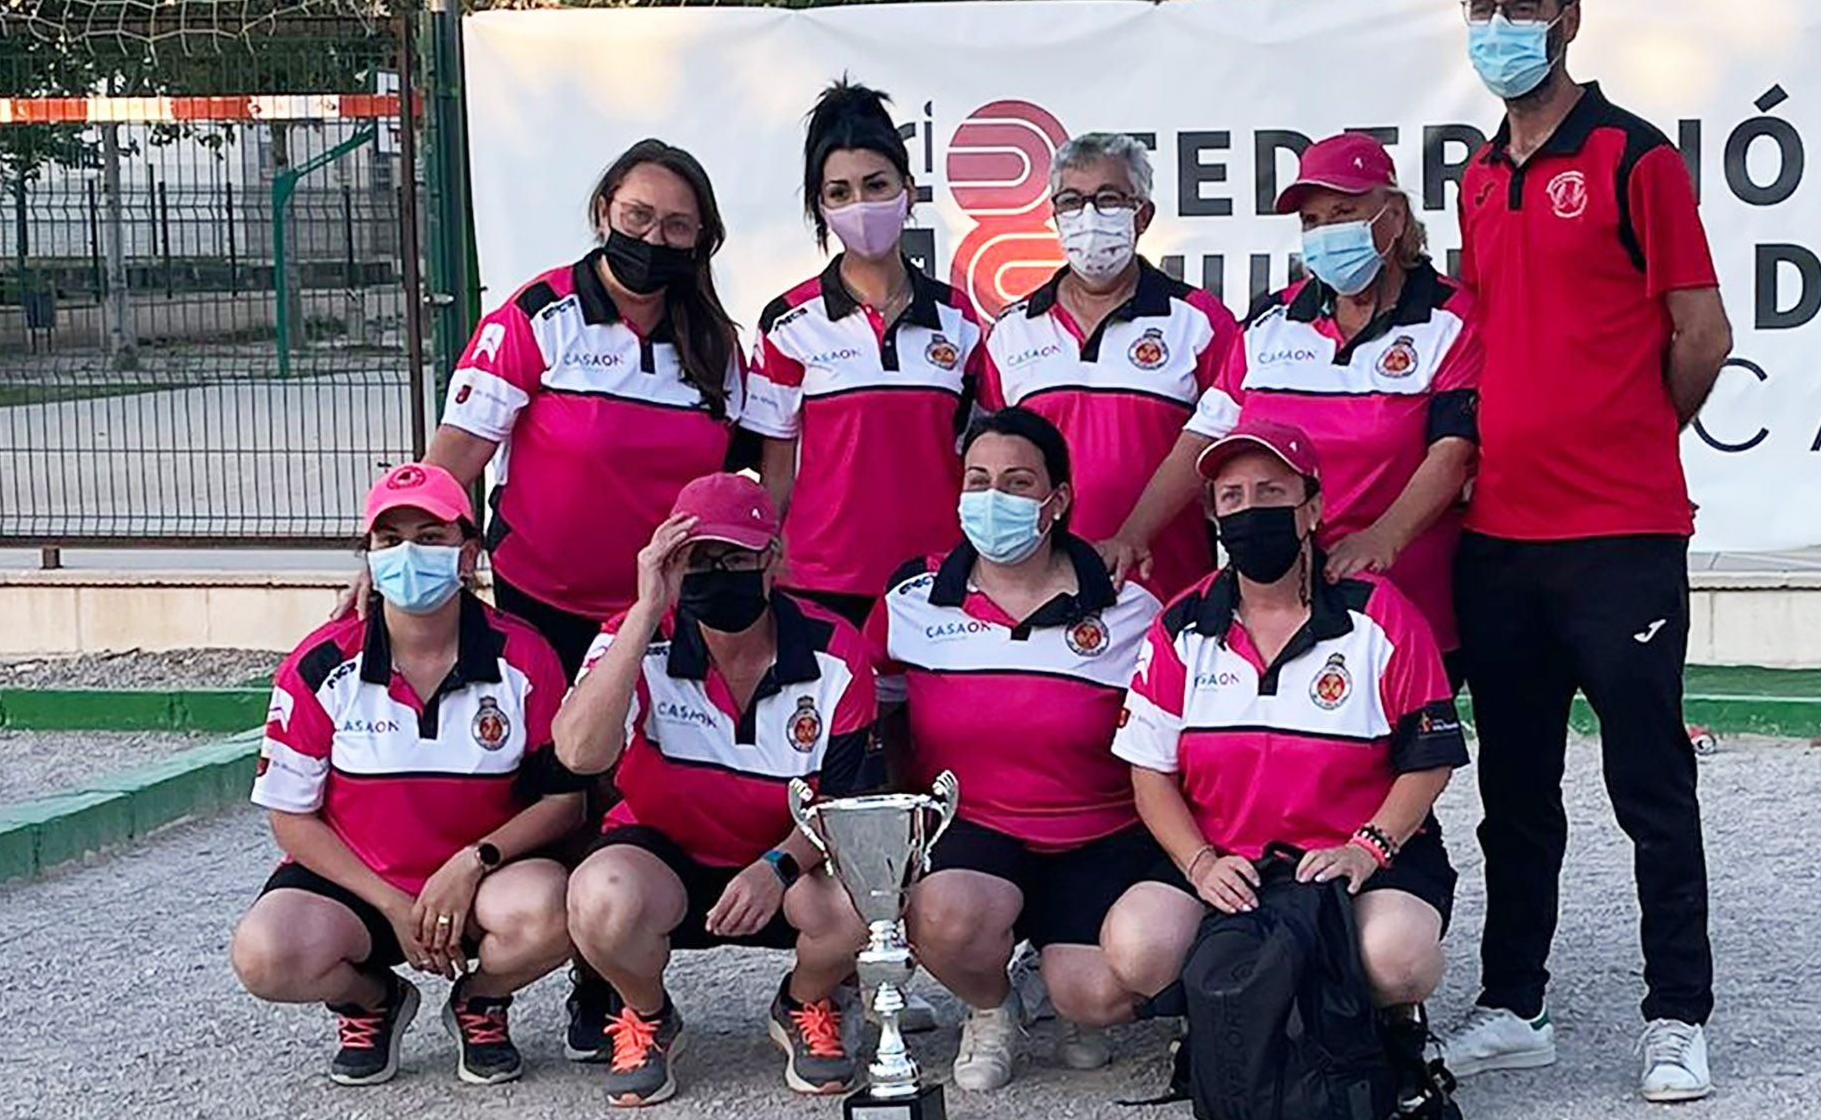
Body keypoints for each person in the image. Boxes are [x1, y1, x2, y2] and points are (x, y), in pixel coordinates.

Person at [1439, 0, 1733, 1103]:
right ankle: (1515, 1000)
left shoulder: (1632, 159)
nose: (1494, 27)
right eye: (1478, 8)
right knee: (1512, 789)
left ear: (1565, 20)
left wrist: (1623, 434)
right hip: (1495, 537)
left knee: (1647, 783)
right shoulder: (1472, 171)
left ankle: (1678, 1013)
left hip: (1617, 537)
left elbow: (1700, 334)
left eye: (1517, 7)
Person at [430, 137, 747, 1057]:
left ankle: (605, 981)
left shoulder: (718, 349)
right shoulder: (538, 315)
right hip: (547, 606)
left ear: (702, 240)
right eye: (640, 215)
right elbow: (458, 451)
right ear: (605, 208)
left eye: (678, 225)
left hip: (664, 612)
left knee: (630, 795)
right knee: (563, 787)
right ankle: (528, 969)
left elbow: (746, 481)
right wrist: (386, 560)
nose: (655, 236)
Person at [1099, 418, 1469, 1071]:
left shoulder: (1378, 615)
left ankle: (1382, 1015)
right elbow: (1148, 773)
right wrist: (1199, 864)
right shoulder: (1179, 626)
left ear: (1314, 507)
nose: (1251, 510)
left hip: (1351, 855)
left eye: (1272, 493)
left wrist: (1367, 848)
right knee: (1135, 947)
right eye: (1232, 497)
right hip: (1227, 856)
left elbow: (1429, 757)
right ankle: (1230, 1017)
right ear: (1212, 513)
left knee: (1400, 959)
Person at [230, 463, 582, 1087]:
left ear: (468, 553)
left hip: (481, 879)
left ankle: (481, 1000)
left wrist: (471, 863)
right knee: (264, 955)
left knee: (557, 909)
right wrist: (393, 903)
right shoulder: (319, 663)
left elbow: (565, 803)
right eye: (389, 541)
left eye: (430, 537)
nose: (408, 555)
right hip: (363, 886)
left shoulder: (524, 657)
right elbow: (289, 815)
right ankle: (372, 1001)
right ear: (368, 557)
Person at [551, 472, 877, 1109]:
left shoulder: (836, 650)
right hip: (664, 857)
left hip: (787, 862)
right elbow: (578, 753)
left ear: (773, 558)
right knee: (597, 896)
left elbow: (845, 804)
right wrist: (646, 612)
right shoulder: (636, 636)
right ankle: (647, 1016)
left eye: (734, 556)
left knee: (868, 899)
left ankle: (805, 1003)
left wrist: (779, 865)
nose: (715, 571)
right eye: (696, 558)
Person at [866, 407, 1166, 1091]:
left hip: (1101, 831)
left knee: (1094, 995)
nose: (992, 498)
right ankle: (990, 1006)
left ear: (1057, 501)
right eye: (978, 480)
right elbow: (877, 723)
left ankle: (1056, 981)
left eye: (1017, 482)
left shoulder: (1132, 610)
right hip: (975, 827)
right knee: (942, 916)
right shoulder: (912, 598)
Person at [1136, 131, 1482, 668]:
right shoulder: (1270, 321)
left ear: (1392, 215)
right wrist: (1133, 535)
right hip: (1274, 602)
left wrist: (1382, 539)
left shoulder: (1451, 316)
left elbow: (1454, 450)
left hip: (1405, 607)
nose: (1325, 233)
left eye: (1344, 212)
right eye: (1312, 222)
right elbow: (1202, 438)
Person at [745, 80, 984, 626]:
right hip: (818, 585)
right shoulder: (787, 322)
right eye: (840, 192)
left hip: (938, 580)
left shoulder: (961, 318)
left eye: (876, 185)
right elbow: (776, 476)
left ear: (909, 191)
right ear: (820, 207)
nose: (861, 205)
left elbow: (975, 458)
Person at [978, 133, 1240, 602]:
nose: (1089, 216)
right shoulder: (1012, 330)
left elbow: (1231, 448)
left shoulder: (1199, 321)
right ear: (1055, 218)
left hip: (1169, 594)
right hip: (1041, 599)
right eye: (1072, 201)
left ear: (1143, 215)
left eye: (1109, 199)